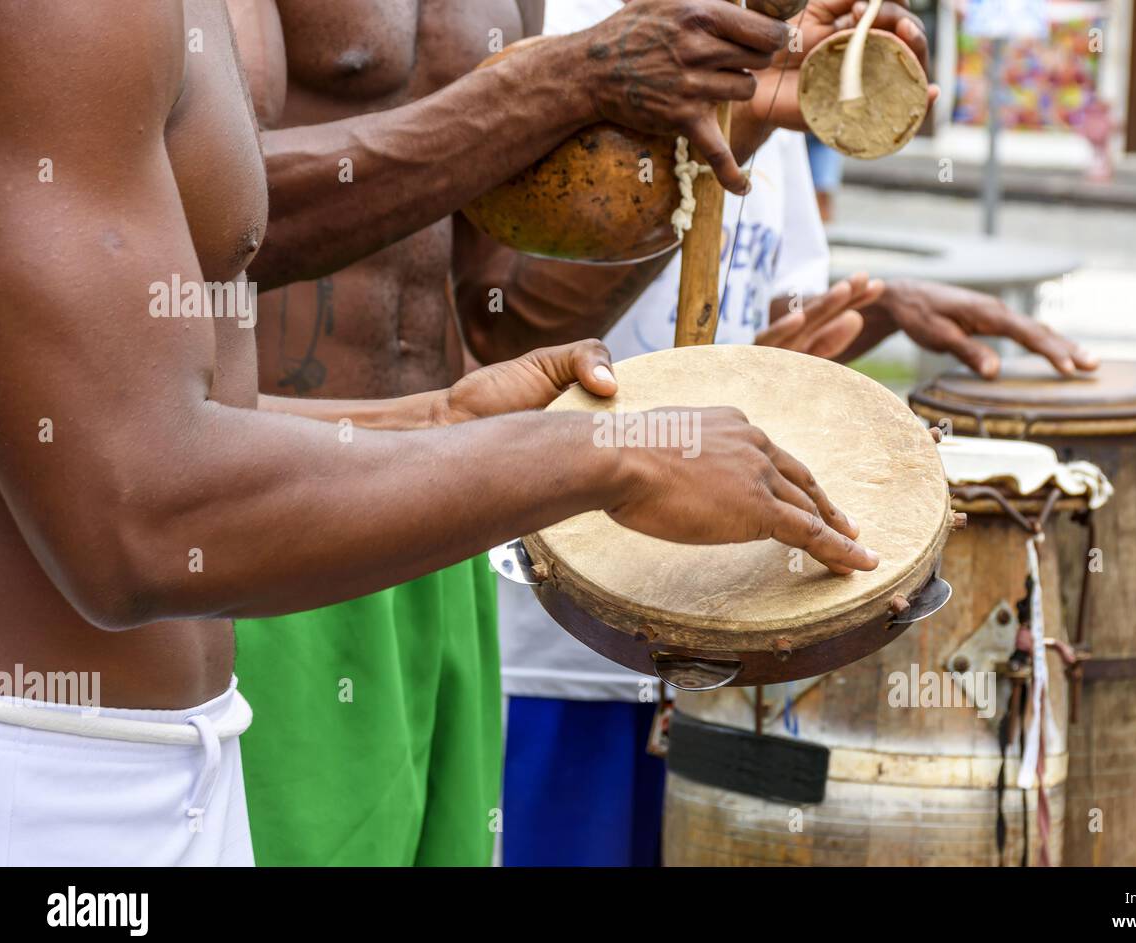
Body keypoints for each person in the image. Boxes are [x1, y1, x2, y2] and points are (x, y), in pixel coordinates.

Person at [0, 0, 876, 867]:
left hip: (371, 553)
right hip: (113, 706)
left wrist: (435, 419)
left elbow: (506, 315)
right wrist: (558, 81)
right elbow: (136, 513)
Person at [223, 0, 826, 867]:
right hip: (269, 525)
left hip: (444, 529)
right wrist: (560, 79)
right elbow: (189, 216)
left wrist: (741, 112)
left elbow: (504, 315)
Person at [497, 0, 1097, 868]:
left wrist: (875, 314)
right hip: (564, 648)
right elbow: (506, 329)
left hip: (736, 634)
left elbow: (780, 323)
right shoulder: (578, 29)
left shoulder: (771, 82)